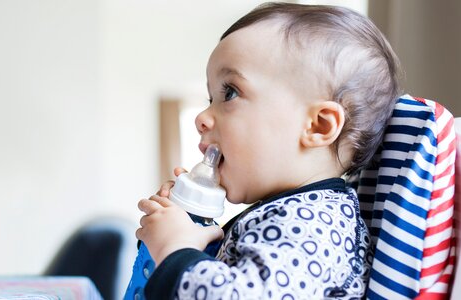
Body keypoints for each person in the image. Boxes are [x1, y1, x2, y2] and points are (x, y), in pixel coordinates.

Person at [135, 2, 401, 299]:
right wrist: (187, 232)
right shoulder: (289, 212)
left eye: (230, 93)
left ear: (318, 127)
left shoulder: (312, 224)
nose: (202, 117)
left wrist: (175, 250)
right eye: (211, 98)